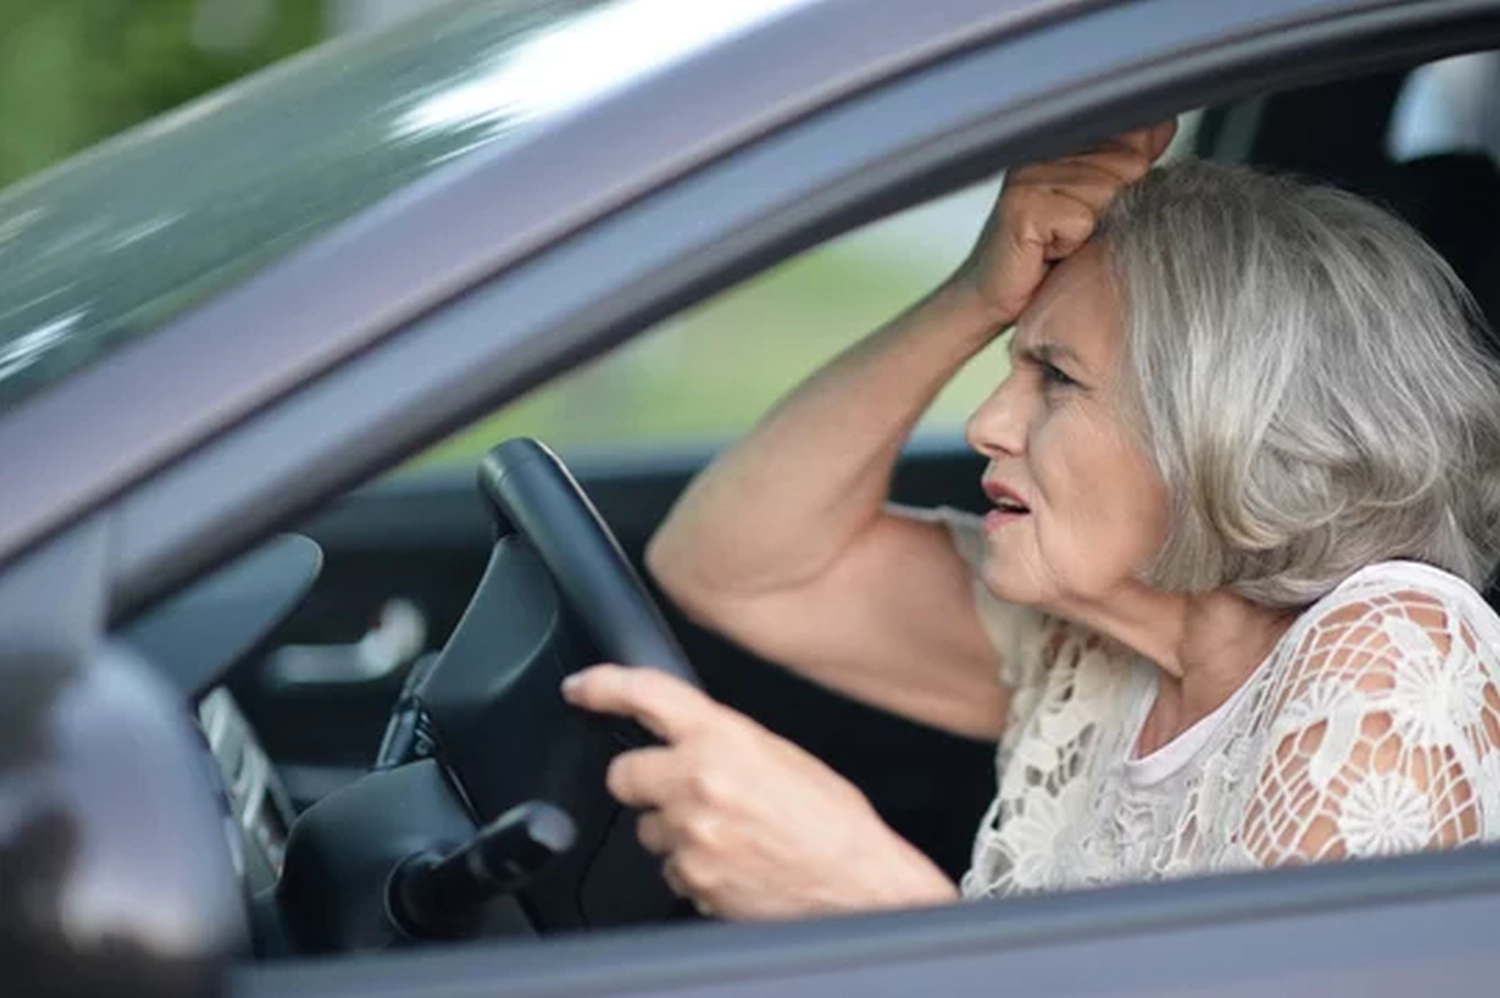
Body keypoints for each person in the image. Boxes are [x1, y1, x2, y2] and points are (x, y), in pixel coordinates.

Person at [561, 120, 1500, 920]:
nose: (985, 424)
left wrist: (869, 905)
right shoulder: (1097, 651)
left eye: (1056, 377)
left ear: (1224, 429)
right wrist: (977, 291)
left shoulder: (1393, 649)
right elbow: (728, 566)